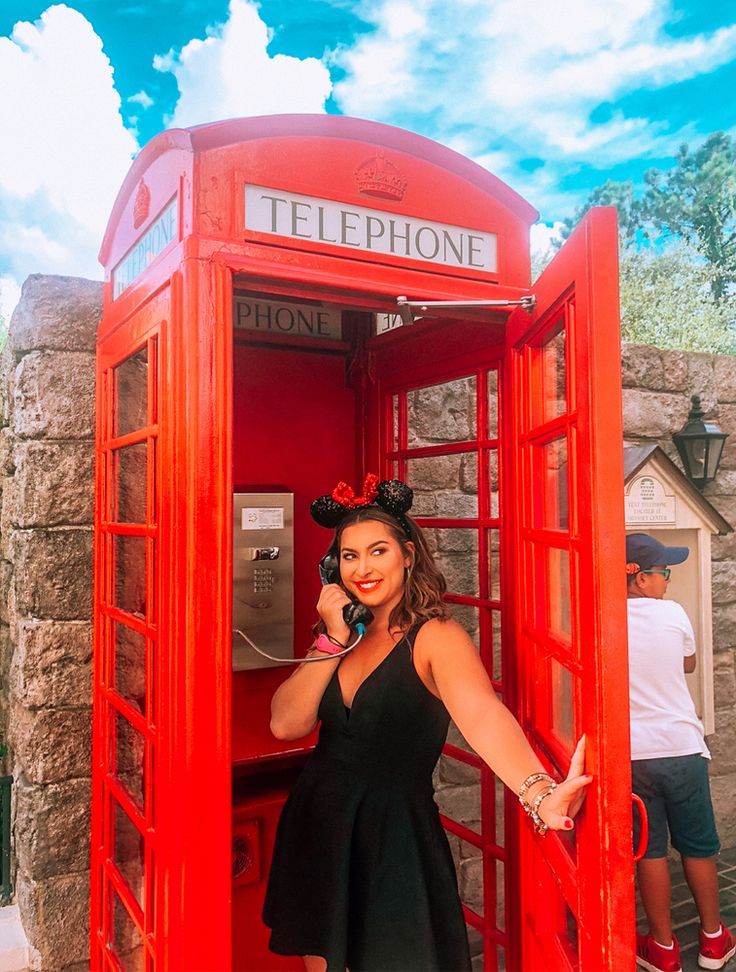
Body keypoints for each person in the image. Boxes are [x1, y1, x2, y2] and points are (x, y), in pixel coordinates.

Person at [263, 475, 592, 972]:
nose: (363, 568)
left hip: (393, 835)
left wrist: (539, 793)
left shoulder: (435, 636)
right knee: (324, 960)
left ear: (408, 554)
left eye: (378, 551)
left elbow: (481, 713)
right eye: (349, 556)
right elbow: (286, 724)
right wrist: (331, 639)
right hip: (320, 822)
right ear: (332, 567)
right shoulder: (338, 635)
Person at [626, 533, 735, 972]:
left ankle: (663, 946)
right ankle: (713, 939)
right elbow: (687, 663)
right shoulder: (673, 613)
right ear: (637, 577)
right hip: (682, 748)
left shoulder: (600, 617)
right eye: (664, 573)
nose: (668, 582)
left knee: (649, 851)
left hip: (633, 755)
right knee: (698, 845)